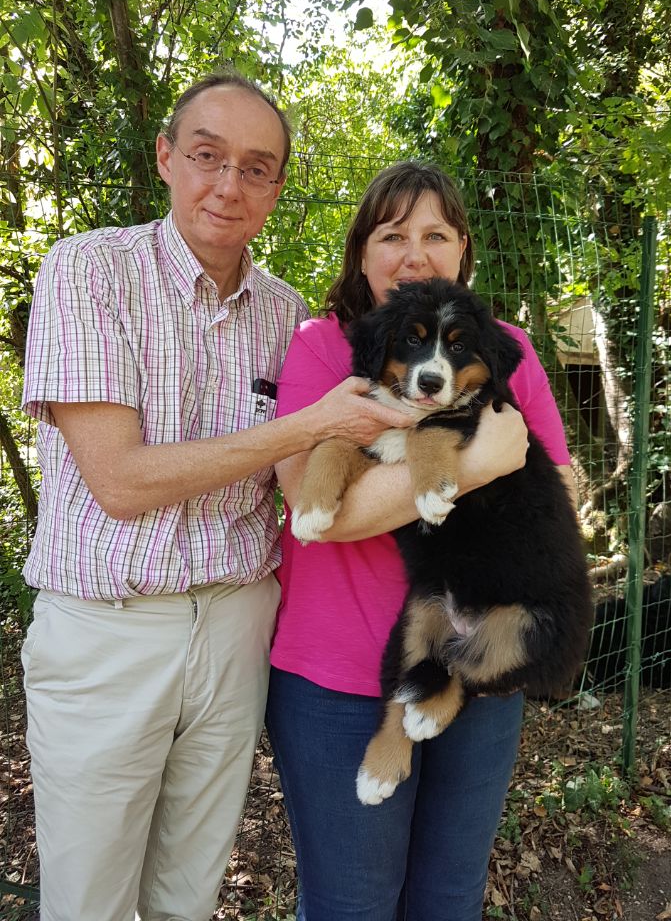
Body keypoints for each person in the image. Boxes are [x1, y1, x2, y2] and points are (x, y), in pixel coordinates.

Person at [20, 72, 412, 921]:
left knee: (188, 896)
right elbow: (120, 481)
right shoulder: (90, 271)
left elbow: (314, 488)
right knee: (88, 903)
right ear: (167, 157)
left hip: (238, 627)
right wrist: (307, 425)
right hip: (109, 631)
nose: (229, 185)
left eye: (257, 168)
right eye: (208, 156)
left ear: (277, 188)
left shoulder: (285, 314)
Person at [266, 161, 576, 921]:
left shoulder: (503, 348)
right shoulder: (320, 347)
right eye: (392, 234)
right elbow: (320, 510)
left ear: (463, 248)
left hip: (479, 658)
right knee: (350, 905)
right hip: (335, 675)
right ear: (361, 252)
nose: (414, 254)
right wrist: (472, 464)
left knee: (447, 899)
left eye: (435, 234)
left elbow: (557, 490)